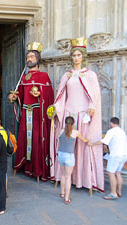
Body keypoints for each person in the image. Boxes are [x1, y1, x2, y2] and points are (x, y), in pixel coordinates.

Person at [49, 37, 104, 194]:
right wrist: (55, 110)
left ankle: (83, 179)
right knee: (66, 146)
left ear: (83, 56)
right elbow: (60, 96)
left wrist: (92, 105)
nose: (76, 58)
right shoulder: (67, 75)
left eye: (79, 55)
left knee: (81, 146)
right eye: (74, 55)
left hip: (83, 113)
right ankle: (66, 179)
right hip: (68, 113)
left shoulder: (90, 75)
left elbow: (95, 95)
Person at [8, 42, 54, 181]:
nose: (29, 59)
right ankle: (26, 167)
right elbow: (20, 95)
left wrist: (39, 95)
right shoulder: (24, 77)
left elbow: (49, 96)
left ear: (38, 59)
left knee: (36, 141)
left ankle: (38, 170)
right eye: (28, 56)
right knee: (25, 141)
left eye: (32, 56)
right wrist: (15, 97)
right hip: (26, 115)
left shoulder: (43, 76)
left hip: (38, 115)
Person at [90, 117, 127, 200]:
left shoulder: (111, 131)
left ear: (111, 123)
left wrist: (92, 144)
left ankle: (113, 193)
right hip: (124, 155)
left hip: (115, 155)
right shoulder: (122, 131)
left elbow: (104, 141)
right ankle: (119, 191)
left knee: (110, 173)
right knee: (118, 173)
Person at [58, 117, 89, 204]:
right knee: (68, 177)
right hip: (69, 156)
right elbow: (84, 140)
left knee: (63, 175)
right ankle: (67, 198)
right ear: (73, 123)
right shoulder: (76, 132)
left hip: (60, 154)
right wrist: (88, 139)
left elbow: (58, 137)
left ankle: (62, 193)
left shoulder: (61, 131)